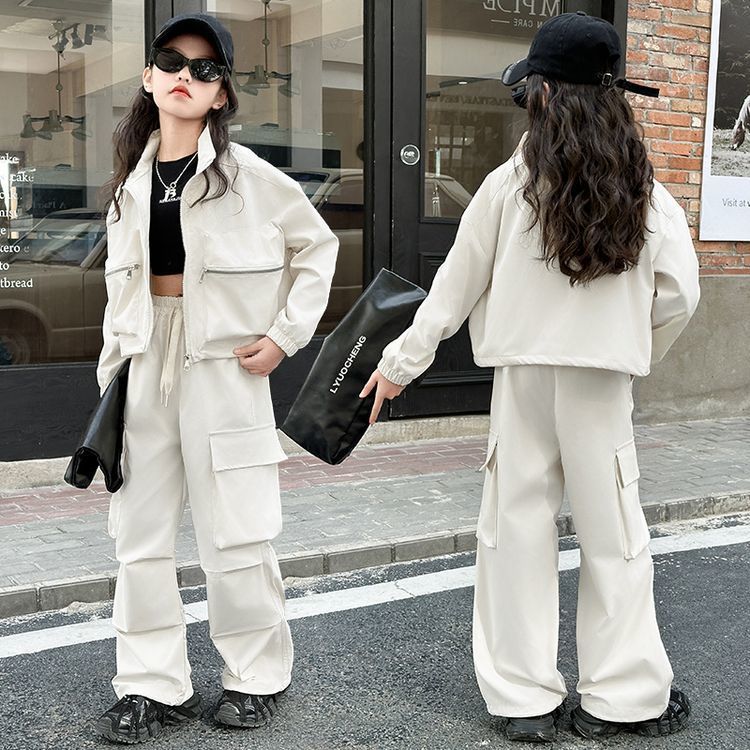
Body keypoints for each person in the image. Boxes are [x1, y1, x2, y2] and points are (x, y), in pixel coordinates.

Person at [361, 12, 699, 745]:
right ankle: (620, 699)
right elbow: (681, 294)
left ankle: (523, 700)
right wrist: (630, 348)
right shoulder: (644, 191)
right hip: (601, 384)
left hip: (521, 381)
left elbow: (451, 292)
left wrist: (398, 366)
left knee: (513, 534)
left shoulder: (507, 186)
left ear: (543, 93)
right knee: (615, 539)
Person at [94, 13, 338, 744]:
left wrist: (284, 336)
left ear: (222, 94)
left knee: (237, 533)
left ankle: (254, 676)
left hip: (224, 370)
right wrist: (112, 374)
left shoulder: (252, 179)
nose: (185, 77)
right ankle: (150, 684)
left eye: (204, 70)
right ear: (148, 76)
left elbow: (317, 249)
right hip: (144, 363)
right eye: (172, 62)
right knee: (139, 536)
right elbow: (119, 291)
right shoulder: (129, 185)